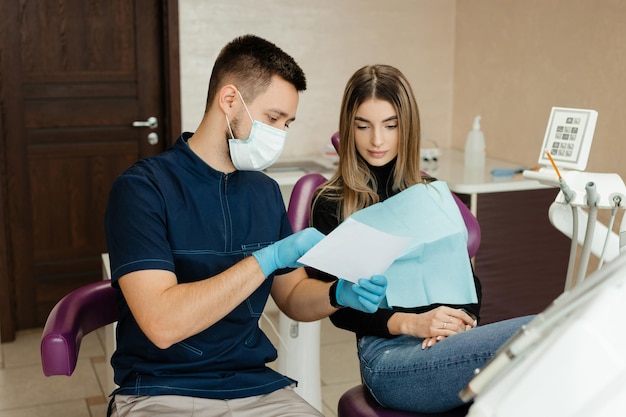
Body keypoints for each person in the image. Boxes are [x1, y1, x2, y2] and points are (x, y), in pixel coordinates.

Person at [104, 35, 388, 417]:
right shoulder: (143, 189)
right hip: (162, 389)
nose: (280, 134)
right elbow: (163, 324)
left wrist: (339, 294)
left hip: (255, 388)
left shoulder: (264, 192)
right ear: (229, 100)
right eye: (273, 118)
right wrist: (265, 260)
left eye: (287, 123)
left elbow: (291, 296)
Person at [310, 64, 534, 414]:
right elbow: (337, 307)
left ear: (407, 126)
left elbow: (468, 282)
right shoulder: (334, 202)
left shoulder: (430, 194)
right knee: (540, 333)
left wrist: (459, 323)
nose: (377, 140)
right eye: (363, 126)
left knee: (550, 337)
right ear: (348, 127)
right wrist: (413, 323)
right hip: (387, 355)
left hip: (450, 342)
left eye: (390, 125)